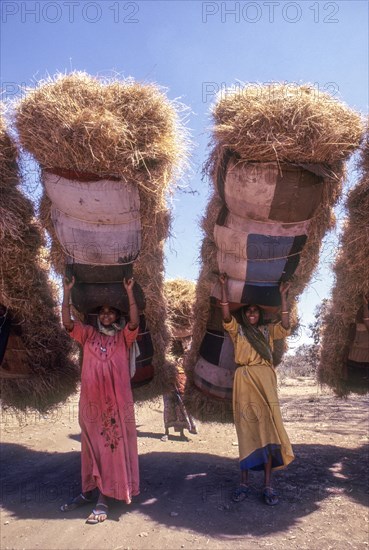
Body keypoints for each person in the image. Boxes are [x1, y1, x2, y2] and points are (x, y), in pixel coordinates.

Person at [60, 275, 139, 524]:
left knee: (109, 448)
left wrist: (129, 293)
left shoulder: (122, 338)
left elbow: (135, 321)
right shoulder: (88, 334)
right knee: (90, 448)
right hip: (91, 403)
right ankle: (87, 491)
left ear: (117, 316)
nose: (106, 315)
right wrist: (66, 292)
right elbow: (67, 323)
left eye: (110, 312)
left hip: (115, 405)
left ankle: (104, 498)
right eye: (102, 312)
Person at [218, 273, 295, 506]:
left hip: (266, 381)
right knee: (247, 429)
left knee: (269, 428)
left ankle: (268, 484)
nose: (252, 314)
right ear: (244, 314)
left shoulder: (267, 331)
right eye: (248, 311)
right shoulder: (237, 330)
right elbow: (225, 313)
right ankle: (243, 483)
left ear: (260, 314)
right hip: (244, 380)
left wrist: (283, 296)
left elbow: (285, 325)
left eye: (255, 311)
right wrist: (223, 288)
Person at [162, 363, 198, 440]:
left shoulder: (185, 355)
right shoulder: (166, 354)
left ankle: (182, 433)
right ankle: (166, 432)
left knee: (181, 407)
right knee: (168, 406)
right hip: (168, 379)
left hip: (181, 378)